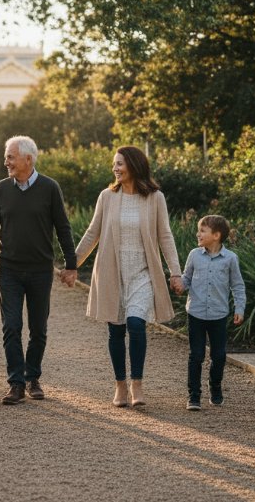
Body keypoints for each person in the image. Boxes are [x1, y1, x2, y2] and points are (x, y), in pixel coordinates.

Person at [74, 146, 182, 408]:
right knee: (116, 329)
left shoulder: (155, 198)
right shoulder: (107, 197)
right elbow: (92, 233)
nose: (116, 168)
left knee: (136, 324)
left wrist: (175, 271)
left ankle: (137, 385)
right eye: (114, 164)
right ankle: (120, 385)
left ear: (134, 165)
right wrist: (71, 264)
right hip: (113, 270)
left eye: (120, 163)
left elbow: (165, 236)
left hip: (143, 273)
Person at [0, 136, 77, 405]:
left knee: (38, 328)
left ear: (27, 160)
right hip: (9, 268)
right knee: (11, 326)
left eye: (10, 157)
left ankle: (32, 377)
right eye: (7, 156)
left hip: (40, 270)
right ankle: (16, 383)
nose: (5, 161)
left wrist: (71, 265)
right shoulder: (1, 189)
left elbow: (63, 228)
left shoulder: (49, 188)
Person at [177, 214, 246, 411]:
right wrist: (180, 285)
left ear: (216, 235)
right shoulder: (194, 255)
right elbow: (187, 278)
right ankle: (194, 395)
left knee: (219, 355)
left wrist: (239, 308)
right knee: (196, 355)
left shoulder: (231, 259)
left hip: (218, 314)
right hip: (196, 313)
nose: (198, 234)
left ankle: (215, 386)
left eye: (202, 230)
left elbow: (237, 285)